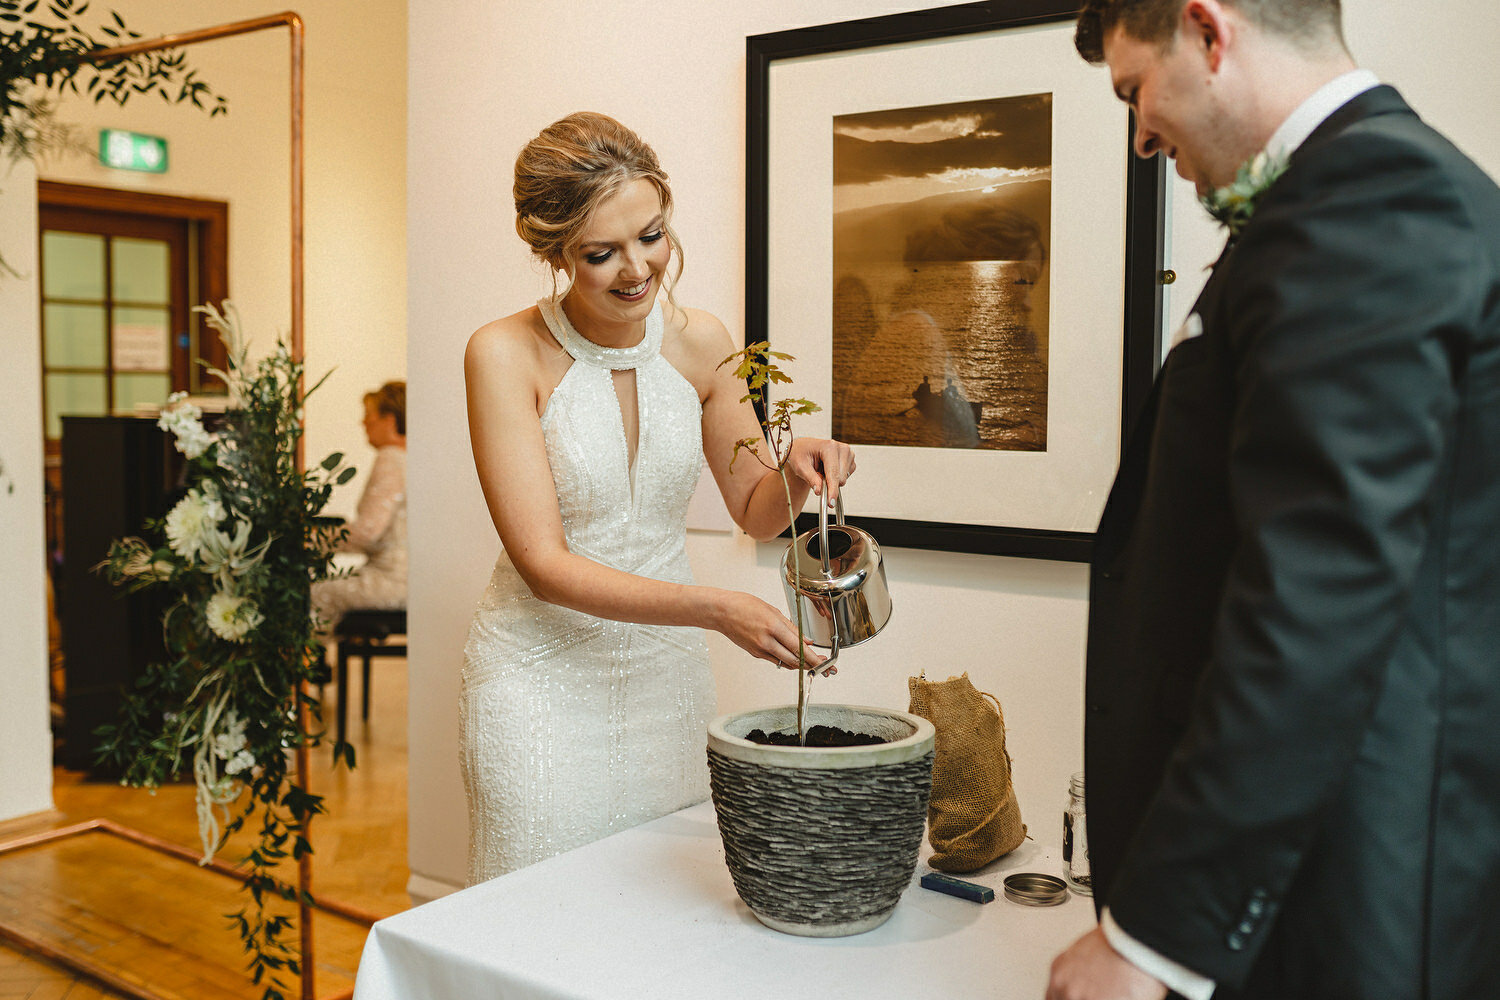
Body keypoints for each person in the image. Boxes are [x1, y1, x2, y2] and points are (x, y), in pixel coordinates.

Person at [1047, 2, 1500, 999]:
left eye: (1136, 92)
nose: (1140, 136)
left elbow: (1318, 593)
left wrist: (1156, 935)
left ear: (1209, 32)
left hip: (1341, 893)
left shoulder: (1376, 198)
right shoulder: (1346, 198)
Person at [460, 112, 856, 884]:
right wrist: (714, 608)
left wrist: (797, 474)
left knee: (660, 912)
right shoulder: (502, 353)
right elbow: (543, 564)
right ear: (554, 252)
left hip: (664, 679)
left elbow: (754, 510)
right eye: (600, 253)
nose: (637, 269)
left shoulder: (704, 342)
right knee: (534, 911)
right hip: (536, 679)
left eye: (652, 234)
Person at [311, 381, 407, 633]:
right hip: (416, 579)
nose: (363, 423)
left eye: (368, 415)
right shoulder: (412, 458)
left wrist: (312, 540)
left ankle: (312, 669)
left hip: (394, 582)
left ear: (389, 419)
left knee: (314, 594)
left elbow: (368, 532)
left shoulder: (391, 459)